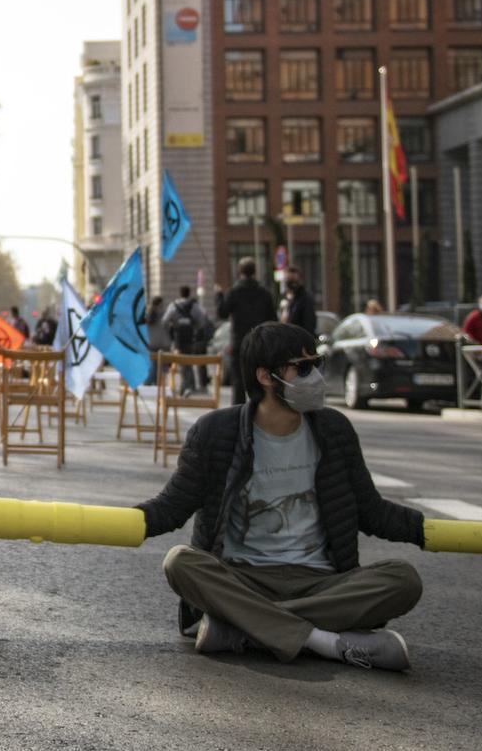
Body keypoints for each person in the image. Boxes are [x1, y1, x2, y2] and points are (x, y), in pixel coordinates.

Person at [139, 321, 426, 671]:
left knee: (404, 580)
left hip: (320, 582)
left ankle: (243, 628)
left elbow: (371, 510)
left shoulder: (334, 430)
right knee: (179, 562)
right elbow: (172, 507)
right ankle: (327, 643)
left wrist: (427, 531)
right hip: (242, 578)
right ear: (265, 376)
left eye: (316, 364)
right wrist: (117, 523)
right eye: (302, 368)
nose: (315, 377)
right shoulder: (216, 433)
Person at [216, 259, 278, 405]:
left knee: (238, 381)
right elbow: (273, 319)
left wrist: (219, 295)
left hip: (239, 342)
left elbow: (222, 313)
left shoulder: (234, 292)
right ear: (254, 272)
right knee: (259, 379)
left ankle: (239, 416)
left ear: (239, 272)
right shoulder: (265, 293)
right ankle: (259, 413)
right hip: (260, 343)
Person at [161, 287, 212, 394]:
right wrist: (195, 328)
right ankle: (189, 385)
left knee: (181, 362)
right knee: (188, 361)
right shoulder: (194, 306)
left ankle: (186, 386)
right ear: (189, 294)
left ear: (180, 294)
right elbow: (202, 321)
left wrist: (171, 329)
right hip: (190, 338)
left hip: (178, 338)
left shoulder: (173, 306)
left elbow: (164, 321)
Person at [279, 270, 317, 338]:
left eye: (294, 280)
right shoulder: (288, 299)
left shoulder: (305, 299)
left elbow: (309, 324)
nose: (292, 284)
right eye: (288, 280)